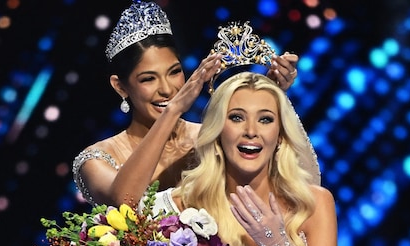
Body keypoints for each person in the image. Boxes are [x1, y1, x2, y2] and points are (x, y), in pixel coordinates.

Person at [139, 71, 345, 246]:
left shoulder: (310, 205)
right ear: (217, 130)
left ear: (281, 134)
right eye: (236, 117)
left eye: (265, 119)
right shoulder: (174, 207)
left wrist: (276, 244)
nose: (251, 130)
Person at [72, 0, 312, 209]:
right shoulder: (96, 159)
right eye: (148, 79)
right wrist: (174, 109)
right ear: (120, 86)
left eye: (174, 72)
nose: (167, 89)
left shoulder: (209, 138)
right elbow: (125, 202)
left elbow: (285, 178)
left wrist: (271, 92)